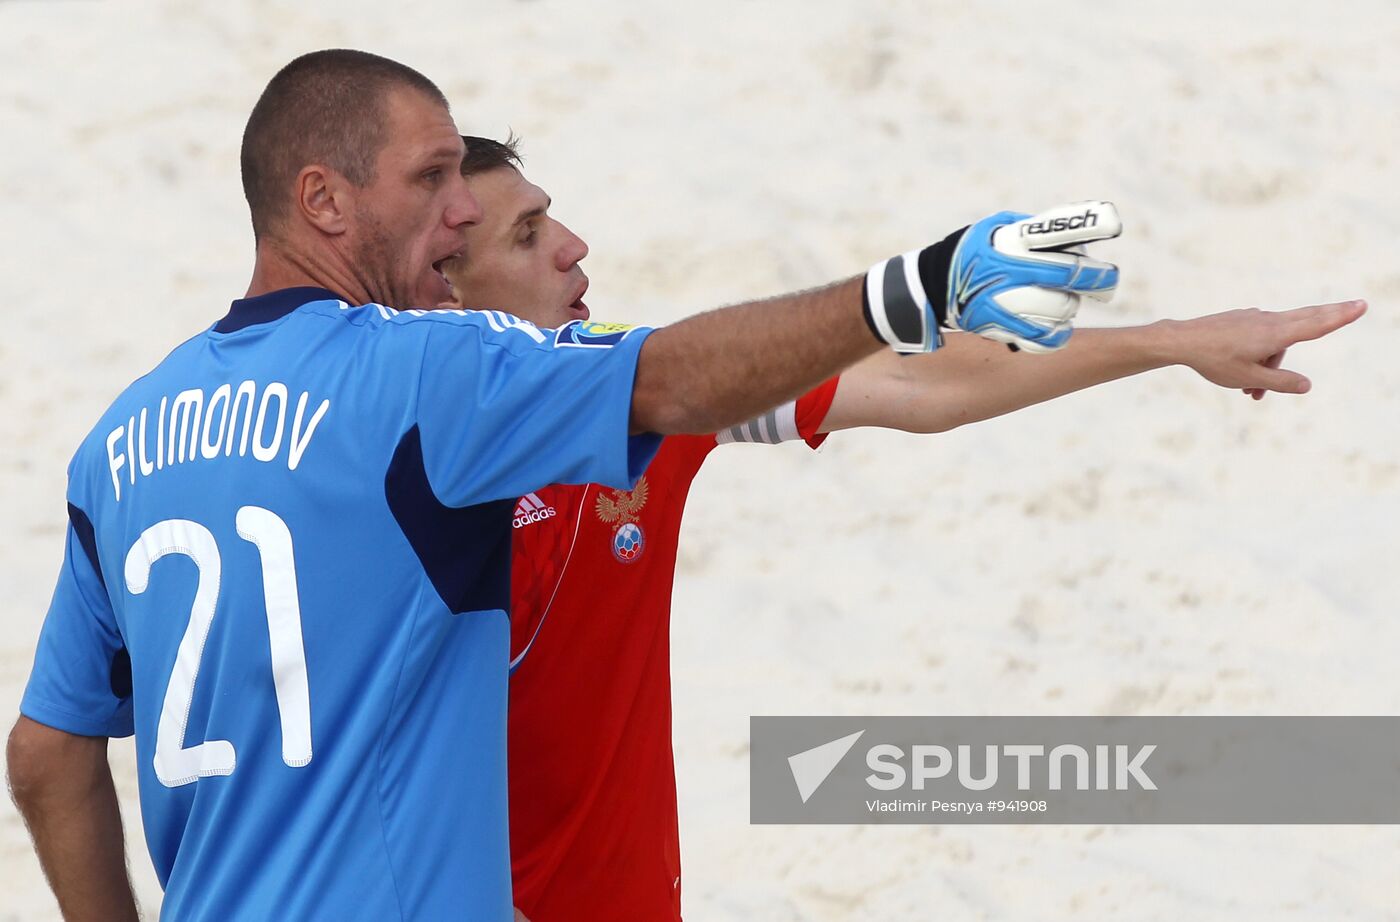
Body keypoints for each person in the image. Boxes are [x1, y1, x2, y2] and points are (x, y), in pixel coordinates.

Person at [4, 52, 1125, 921]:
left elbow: (49, 751)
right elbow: (671, 376)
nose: (457, 213)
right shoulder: (422, 370)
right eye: (431, 180)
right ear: (325, 201)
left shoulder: (122, 439)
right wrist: (911, 283)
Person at [440, 135, 1365, 922]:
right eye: (527, 235)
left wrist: (1167, 342)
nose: (571, 245)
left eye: (549, 215)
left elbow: (922, 384)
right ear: (442, 289)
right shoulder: (383, 477)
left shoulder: (642, 388)